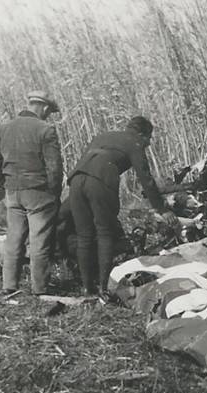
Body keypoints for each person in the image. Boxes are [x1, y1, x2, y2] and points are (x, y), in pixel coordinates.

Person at [67, 115, 179, 297]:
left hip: (76, 180)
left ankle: (87, 288)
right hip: (100, 181)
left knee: (84, 235)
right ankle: (104, 288)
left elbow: (87, 165)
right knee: (105, 232)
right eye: (148, 139)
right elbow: (147, 181)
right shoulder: (133, 142)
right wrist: (162, 209)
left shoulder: (102, 136)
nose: (148, 144)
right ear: (142, 135)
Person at [0, 90, 64, 297]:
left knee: (14, 240)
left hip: (12, 193)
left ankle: (9, 285)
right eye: (49, 112)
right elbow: (55, 168)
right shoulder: (46, 130)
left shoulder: (4, 128)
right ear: (45, 108)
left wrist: (5, 184)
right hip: (38, 193)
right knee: (39, 242)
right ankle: (39, 289)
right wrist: (53, 194)